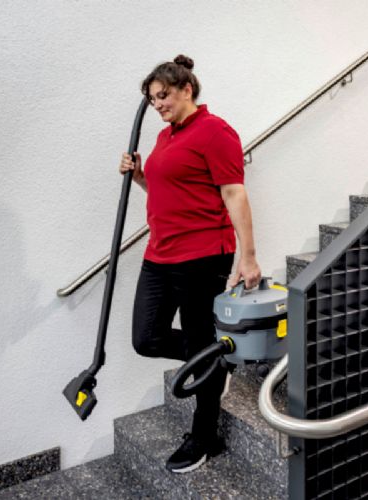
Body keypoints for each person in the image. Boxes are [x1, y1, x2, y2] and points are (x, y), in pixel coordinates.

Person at [119, 54, 261, 473]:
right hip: (160, 254)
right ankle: (215, 358)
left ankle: (204, 436)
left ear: (187, 89)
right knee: (147, 338)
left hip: (202, 256)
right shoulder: (166, 137)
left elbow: (234, 193)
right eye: (152, 99)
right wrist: (140, 176)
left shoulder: (215, 131)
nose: (157, 105)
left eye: (163, 95)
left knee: (199, 339)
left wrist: (248, 256)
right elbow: (169, 191)